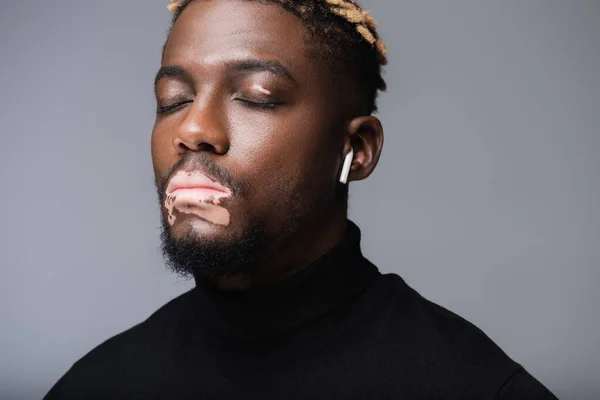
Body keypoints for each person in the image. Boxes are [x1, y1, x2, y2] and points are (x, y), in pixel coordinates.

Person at [45, 0, 558, 398]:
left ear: (355, 150)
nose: (193, 128)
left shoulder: (472, 387)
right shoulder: (97, 384)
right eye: (172, 101)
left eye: (256, 96)